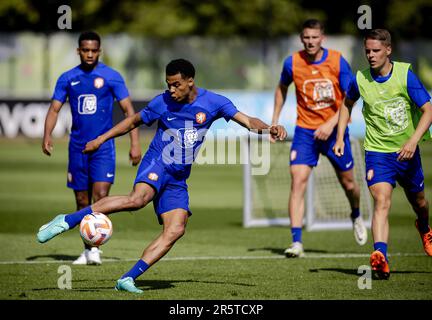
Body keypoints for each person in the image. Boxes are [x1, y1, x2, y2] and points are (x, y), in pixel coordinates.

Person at [37, 58, 287, 293]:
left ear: (191, 81)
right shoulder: (162, 102)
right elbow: (132, 121)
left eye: (176, 84)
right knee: (138, 199)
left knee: (176, 229)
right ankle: (68, 220)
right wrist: (101, 139)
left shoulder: (214, 103)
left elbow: (247, 121)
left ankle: (127, 279)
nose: (171, 90)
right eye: (168, 85)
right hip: (157, 162)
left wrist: (269, 128)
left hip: (178, 177)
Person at [333, 29, 432, 279]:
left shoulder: (405, 75)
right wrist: (339, 137)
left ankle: (424, 228)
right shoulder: (360, 79)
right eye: (367, 51)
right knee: (382, 201)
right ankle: (380, 256)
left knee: (419, 203)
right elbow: (347, 104)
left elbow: (428, 110)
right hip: (377, 153)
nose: (370, 55)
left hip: (407, 153)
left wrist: (412, 141)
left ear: (388, 50)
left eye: (376, 50)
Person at [42, 31, 142, 265]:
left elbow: (130, 112)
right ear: (78, 51)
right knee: (81, 199)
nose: (89, 54)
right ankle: (87, 249)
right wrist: (47, 135)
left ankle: (95, 249)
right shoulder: (68, 78)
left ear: (99, 51)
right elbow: (54, 109)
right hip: (77, 148)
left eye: (93, 50)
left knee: (100, 196)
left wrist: (135, 143)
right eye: (85, 50)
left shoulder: (112, 77)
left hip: (104, 148)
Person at [271, 19, 367, 258]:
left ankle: (356, 214)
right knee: (297, 181)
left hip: (335, 131)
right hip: (305, 131)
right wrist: (275, 120)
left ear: (322, 38)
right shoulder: (292, 62)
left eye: (315, 37)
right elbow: (281, 87)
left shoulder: (336, 60)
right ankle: (296, 242)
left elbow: (350, 97)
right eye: (306, 37)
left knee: (349, 185)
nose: (310, 42)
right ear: (301, 38)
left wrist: (330, 124)